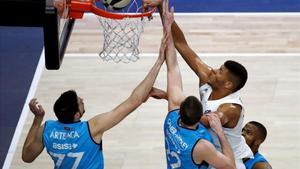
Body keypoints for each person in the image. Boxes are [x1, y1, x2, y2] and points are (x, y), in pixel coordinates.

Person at [21, 36, 167, 168]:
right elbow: (134, 101)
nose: (82, 100)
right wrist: (159, 61)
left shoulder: (47, 129)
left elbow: (27, 158)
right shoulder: (91, 129)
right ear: (77, 115)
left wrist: (37, 119)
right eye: (79, 102)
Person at [143, 1, 253, 168]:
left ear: (229, 84)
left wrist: (170, 97)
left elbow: (208, 121)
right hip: (206, 150)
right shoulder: (208, 78)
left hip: (228, 156)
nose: (214, 70)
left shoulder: (231, 108)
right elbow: (182, 45)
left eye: (220, 72)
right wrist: (161, 8)